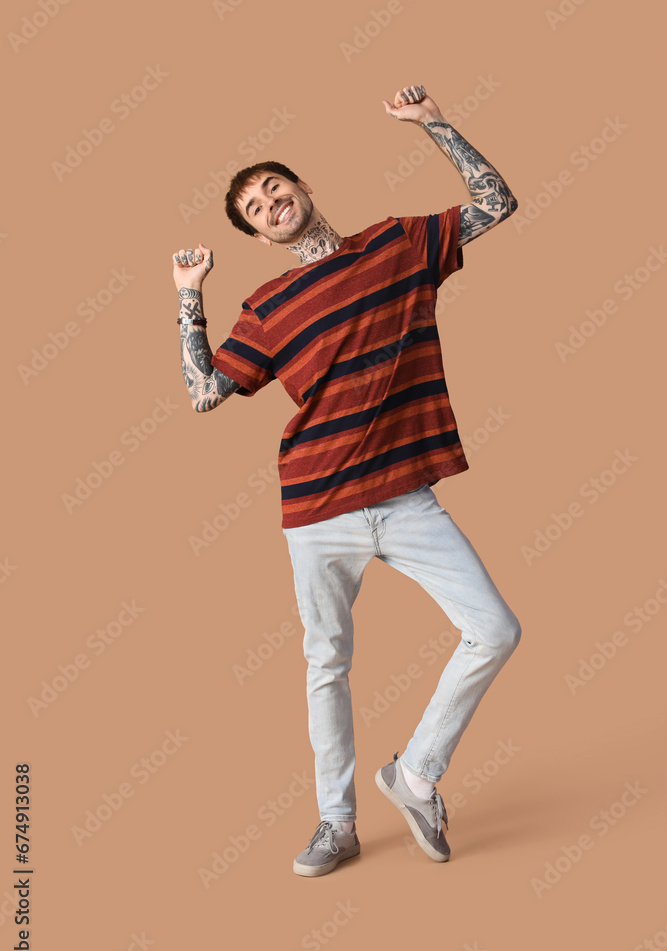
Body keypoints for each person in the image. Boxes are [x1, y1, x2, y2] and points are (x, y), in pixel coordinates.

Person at [172, 84, 522, 877]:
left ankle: (416, 773)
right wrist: (189, 300)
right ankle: (337, 824)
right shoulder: (265, 303)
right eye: (254, 208)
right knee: (325, 665)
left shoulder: (398, 244)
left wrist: (433, 124)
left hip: (404, 498)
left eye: (273, 189)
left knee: (494, 629)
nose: (269, 204)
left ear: (299, 188)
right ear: (256, 235)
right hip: (317, 508)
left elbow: (495, 203)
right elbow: (203, 395)